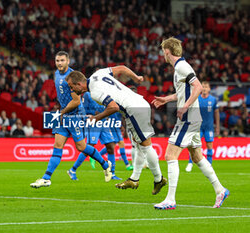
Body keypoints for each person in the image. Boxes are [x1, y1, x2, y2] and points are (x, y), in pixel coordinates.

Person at [152, 37, 228, 209]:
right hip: (194, 118)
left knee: (170, 156)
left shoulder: (181, 67)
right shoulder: (180, 67)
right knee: (197, 156)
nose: (163, 54)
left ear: (167, 51)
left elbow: (198, 87)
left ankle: (170, 200)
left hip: (188, 118)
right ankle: (220, 189)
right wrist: (167, 99)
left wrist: (185, 107)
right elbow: (184, 92)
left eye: (163, 51)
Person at [66, 65, 166, 195]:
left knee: (146, 146)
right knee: (137, 144)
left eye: (71, 87)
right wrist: (135, 77)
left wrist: (96, 118)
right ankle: (134, 179)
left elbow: (113, 107)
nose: (71, 90)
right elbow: (122, 68)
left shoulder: (95, 92)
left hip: (134, 109)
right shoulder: (99, 74)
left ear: (79, 84)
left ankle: (159, 179)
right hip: (137, 104)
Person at [30, 51, 112, 188]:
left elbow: (75, 101)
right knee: (57, 146)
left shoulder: (72, 77)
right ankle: (46, 178)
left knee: (81, 147)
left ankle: (105, 165)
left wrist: (61, 112)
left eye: (62, 60)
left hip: (75, 115)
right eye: (57, 61)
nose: (59, 63)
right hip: (64, 115)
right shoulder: (56, 74)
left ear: (68, 61)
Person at [67, 92, 119, 180]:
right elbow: (85, 108)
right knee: (88, 147)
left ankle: (112, 173)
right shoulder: (88, 94)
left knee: (110, 146)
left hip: (103, 121)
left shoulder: (105, 92)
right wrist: (93, 113)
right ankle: (72, 170)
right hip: (93, 122)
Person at [186, 80, 220, 172]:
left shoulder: (213, 100)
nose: (204, 88)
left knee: (209, 145)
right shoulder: (196, 99)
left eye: (206, 87)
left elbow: (216, 114)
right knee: (193, 145)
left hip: (209, 126)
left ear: (209, 89)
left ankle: (209, 165)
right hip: (198, 126)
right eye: (203, 87)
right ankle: (190, 163)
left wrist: (217, 127)